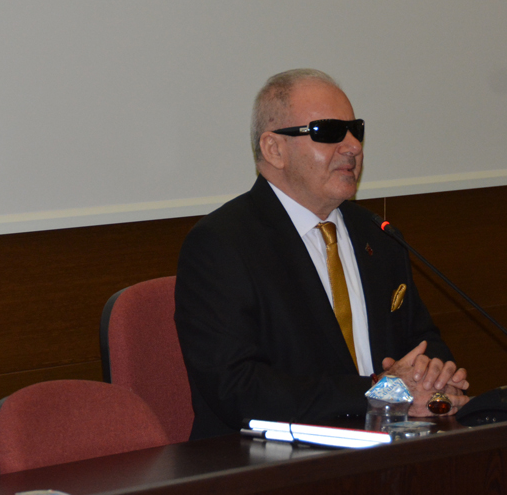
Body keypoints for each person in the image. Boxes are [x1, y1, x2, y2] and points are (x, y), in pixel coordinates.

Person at [175, 69, 470, 439]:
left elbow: (422, 340)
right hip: (274, 458)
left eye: (355, 130)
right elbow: (238, 389)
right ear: (274, 149)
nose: (353, 146)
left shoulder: (377, 235)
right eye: (328, 132)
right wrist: (378, 392)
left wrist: (437, 379)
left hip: (391, 445)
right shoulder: (221, 244)